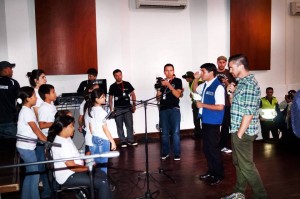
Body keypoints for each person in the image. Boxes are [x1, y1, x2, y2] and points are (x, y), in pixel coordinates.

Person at [222, 54, 267, 199]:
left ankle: (260, 196)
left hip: (243, 131)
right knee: (238, 163)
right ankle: (239, 192)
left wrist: (239, 134)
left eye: (231, 67)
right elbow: (236, 103)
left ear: (241, 66)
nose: (230, 70)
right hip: (237, 129)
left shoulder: (249, 84)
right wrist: (231, 92)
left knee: (247, 166)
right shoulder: (240, 82)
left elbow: (249, 112)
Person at [47, 115, 113, 199]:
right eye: (71, 126)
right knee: (102, 182)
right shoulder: (61, 144)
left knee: (102, 174)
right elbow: (72, 167)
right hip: (68, 176)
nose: (73, 129)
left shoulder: (65, 138)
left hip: (73, 172)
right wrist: (88, 168)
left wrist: (85, 156)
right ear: (63, 128)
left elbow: (74, 156)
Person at [193, 63, 225, 186]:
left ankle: (218, 174)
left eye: (203, 71)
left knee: (213, 149)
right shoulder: (206, 85)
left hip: (214, 122)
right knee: (207, 149)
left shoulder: (218, 87)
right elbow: (195, 89)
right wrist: (196, 78)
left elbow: (220, 106)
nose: (201, 73)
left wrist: (202, 105)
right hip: (206, 120)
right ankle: (211, 171)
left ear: (211, 72)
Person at [16, 86, 47, 199]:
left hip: (26, 147)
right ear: (27, 99)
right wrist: (47, 141)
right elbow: (36, 130)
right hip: (26, 148)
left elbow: (34, 132)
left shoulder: (27, 110)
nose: (36, 98)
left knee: (30, 174)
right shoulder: (26, 112)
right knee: (34, 175)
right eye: (34, 96)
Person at [27, 69, 51, 198]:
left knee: (45, 161)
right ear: (36, 80)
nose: (45, 79)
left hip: (44, 132)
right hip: (40, 133)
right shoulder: (35, 94)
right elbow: (38, 116)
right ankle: (45, 190)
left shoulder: (40, 93)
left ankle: (47, 186)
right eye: (43, 77)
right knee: (42, 162)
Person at [84, 88, 117, 173]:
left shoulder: (90, 110)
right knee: (103, 165)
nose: (105, 99)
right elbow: (105, 129)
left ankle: (97, 183)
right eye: (102, 97)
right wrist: (112, 141)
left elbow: (91, 129)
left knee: (97, 164)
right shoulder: (102, 112)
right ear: (96, 99)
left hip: (94, 138)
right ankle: (103, 184)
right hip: (103, 140)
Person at [156, 63, 182, 161]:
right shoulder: (162, 83)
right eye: (167, 70)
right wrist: (159, 88)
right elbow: (158, 99)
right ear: (164, 72)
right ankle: (165, 152)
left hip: (174, 109)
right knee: (164, 133)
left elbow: (177, 95)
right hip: (163, 109)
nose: (169, 72)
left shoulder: (177, 81)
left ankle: (176, 153)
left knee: (175, 132)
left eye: (171, 70)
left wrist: (168, 85)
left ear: (173, 71)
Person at [109, 69, 137, 147]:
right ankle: (123, 141)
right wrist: (111, 110)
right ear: (114, 76)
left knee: (129, 125)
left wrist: (134, 105)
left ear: (122, 75)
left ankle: (131, 140)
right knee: (119, 126)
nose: (119, 77)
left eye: (120, 75)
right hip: (117, 109)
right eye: (116, 75)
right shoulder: (112, 86)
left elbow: (133, 94)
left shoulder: (127, 84)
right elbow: (110, 99)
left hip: (128, 108)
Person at [216, 56, 236, 153]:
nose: (222, 64)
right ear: (217, 62)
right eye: (220, 62)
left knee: (225, 125)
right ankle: (215, 145)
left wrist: (226, 81)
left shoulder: (229, 73)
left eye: (224, 62)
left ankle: (222, 145)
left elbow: (233, 87)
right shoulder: (213, 72)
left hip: (227, 103)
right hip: (216, 103)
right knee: (215, 125)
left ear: (226, 63)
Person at [0, 61, 20, 137]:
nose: (12, 71)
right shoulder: (13, 83)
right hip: (9, 122)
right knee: (11, 146)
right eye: (11, 68)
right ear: (6, 69)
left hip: (8, 121)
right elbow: (20, 101)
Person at [78, 82, 99, 154]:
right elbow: (80, 118)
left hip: (96, 129)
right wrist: (81, 126)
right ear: (90, 90)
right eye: (96, 89)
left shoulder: (96, 102)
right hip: (88, 130)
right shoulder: (85, 103)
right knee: (89, 148)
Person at [182, 71, 203, 139]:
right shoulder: (190, 82)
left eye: (186, 78)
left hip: (201, 104)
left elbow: (200, 92)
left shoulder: (199, 82)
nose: (186, 79)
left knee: (202, 119)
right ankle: (198, 134)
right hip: (195, 103)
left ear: (190, 78)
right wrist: (192, 100)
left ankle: (203, 134)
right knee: (196, 120)